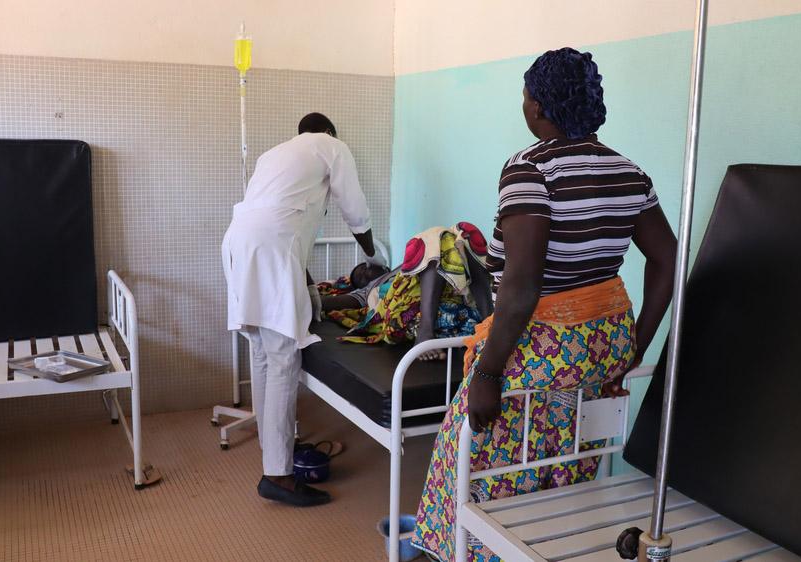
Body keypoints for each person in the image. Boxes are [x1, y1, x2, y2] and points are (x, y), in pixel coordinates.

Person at [411, 48, 678, 561]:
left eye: (526, 96)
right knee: (557, 455)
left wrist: (488, 375)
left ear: (538, 107)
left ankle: (462, 552)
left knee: (462, 457)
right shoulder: (630, 172)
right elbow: (667, 261)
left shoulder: (529, 171)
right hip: (602, 348)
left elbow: (522, 285)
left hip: (543, 348)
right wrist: (632, 350)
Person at [221, 112, 387, 508]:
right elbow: (356, 210)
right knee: (282, 360)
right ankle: (277, 474)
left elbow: (287, 228)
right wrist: (372, 255)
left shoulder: (274, 156)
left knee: (263, 354)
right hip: (271, 250)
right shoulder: (332, 147)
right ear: (329, 131)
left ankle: (273, 448)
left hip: (239, 245)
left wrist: (308, 287)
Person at [319, 223, 494, 360]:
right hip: (404, 302)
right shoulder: (367, 291)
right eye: (359, 276)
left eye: (364, 268)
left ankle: (489, 322)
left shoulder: (408, 265)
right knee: (438, 237)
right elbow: (325, 303)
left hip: (455, 289)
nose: (364, 272)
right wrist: (306, 297)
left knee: (461, 236)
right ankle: (427, 330)